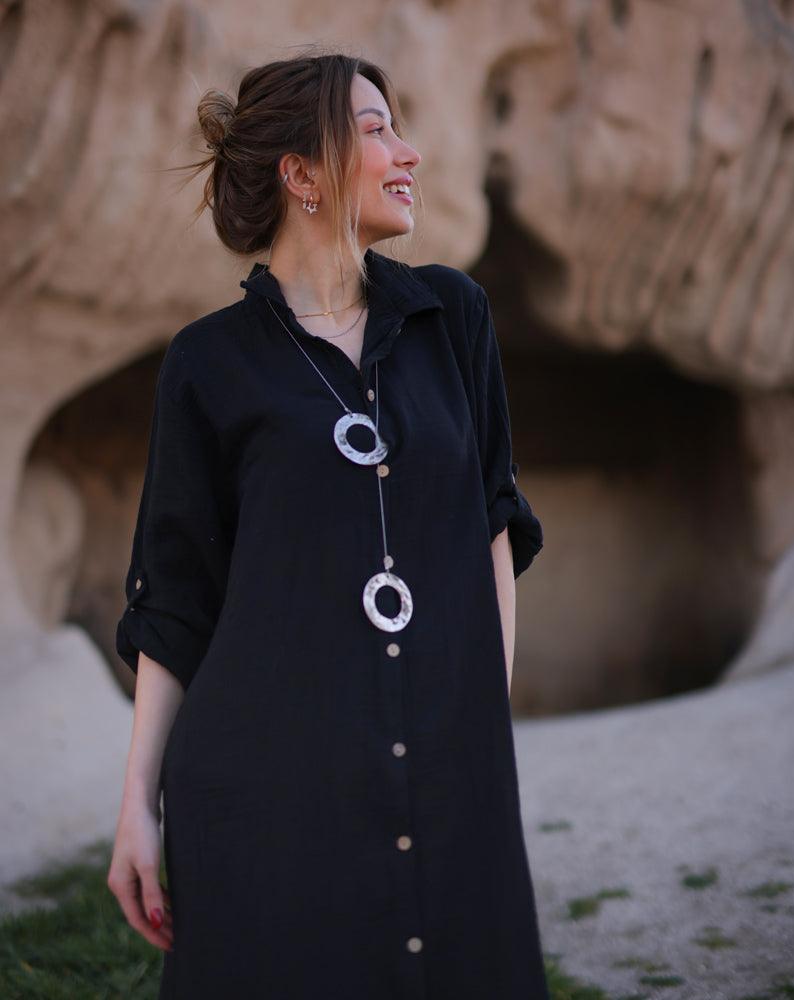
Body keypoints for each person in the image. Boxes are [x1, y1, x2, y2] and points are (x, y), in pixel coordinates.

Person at [106, 49, 549, 1000]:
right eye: (377, 127)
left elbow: (491, 531)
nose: (410, 152)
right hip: (262, 782)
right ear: (301, 174)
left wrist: (480, 726)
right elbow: (175, 599)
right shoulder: (206, 365)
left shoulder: (452, 318)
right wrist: (138, 806)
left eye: (399, 125)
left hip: (447, 764)